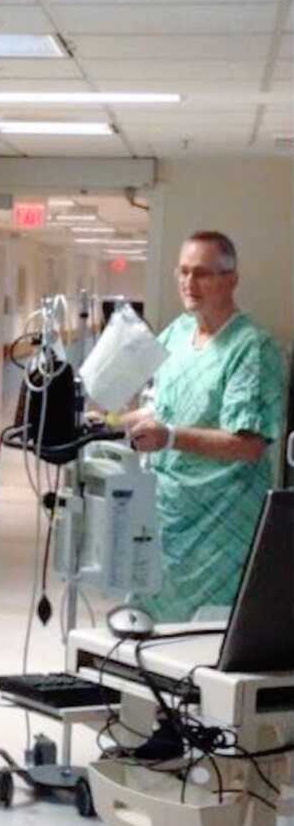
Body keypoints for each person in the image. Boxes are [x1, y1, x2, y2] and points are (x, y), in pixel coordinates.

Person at [121, 230, 284, 623]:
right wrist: (105, 421)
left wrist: (171, 437)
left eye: (203, 274)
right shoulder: (177, 333)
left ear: (231, 279)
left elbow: (247, 444)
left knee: (204, 639)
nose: (189, 284)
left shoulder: (251, 347)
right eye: (183, 272)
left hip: (221, 523)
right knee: (149, 626)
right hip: (166, 513)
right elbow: (159, 409)